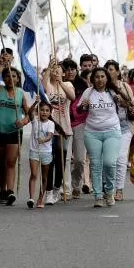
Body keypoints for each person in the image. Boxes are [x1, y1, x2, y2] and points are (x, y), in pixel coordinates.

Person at [76, 67, 124, 208]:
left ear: (107, 78)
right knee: (96, 165)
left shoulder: (113, 91)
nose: (100, 79)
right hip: (92, 133)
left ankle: (109, 191)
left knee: (110, 163)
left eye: (103, 76)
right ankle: (98, 195)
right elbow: (78, 110)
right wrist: (83, 106)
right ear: (93, 79)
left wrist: (120, 100)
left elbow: (128, 105)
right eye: (97, 77)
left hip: (112, 131)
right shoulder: (88, 92)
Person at [0, 67, 32, 206]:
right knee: (1, 162)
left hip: (14, 132)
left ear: (18, 79)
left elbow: (29, 115)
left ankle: (10, 191)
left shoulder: (20, 94)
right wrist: (2, 65)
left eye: (13, 76)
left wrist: (23, 121)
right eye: (7, 76)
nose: (10, 79)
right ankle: (2, 190)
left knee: (10, 162)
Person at [41, 59, 75, 204]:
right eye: (54, 72)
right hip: (50, 127)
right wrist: (48, 69)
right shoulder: (48, 85)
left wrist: (60, 82)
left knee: (61, 159)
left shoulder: (67, 84)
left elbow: (72, 97)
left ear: (63, 74)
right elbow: (42, 88)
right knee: (49, 160)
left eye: (58, 71)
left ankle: (56, 188)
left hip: (63, 128)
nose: (56, 73)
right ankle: (48, 191)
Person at [106, 60, 134, 202]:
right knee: (109, 161)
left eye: (112, 69)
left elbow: (133, 106)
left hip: (124, 128)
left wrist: (123, 101)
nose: (109, 72)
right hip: (106, 129)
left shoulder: (124, 86)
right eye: (107, 69)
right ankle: (108, 188)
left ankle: (119, 189)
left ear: (118, 72)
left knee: (121, 160)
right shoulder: (102, 88)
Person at [66, 58, 91, 198]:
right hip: (63, 124)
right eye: (67, 69)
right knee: (65, 158)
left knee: (80, 159)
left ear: (77, 70)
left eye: (72, 69)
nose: (70, 72)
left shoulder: (84, 86)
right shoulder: (59, 84)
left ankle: (76, 184)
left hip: (80, 124)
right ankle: (65, 188)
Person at [26, 101, 55, 209]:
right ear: (38, 111)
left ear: (50, 113)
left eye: (47, 110)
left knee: (44, 176)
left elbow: (50, 136)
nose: (44, 112)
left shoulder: (51, 123)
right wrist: (35, 103)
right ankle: (31, 198)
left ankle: (40, 198)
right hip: (34, 151)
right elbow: (29, 112)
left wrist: (44, 139)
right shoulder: (35, 121)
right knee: (34, 174)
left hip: (46, 152)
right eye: (42, 110)